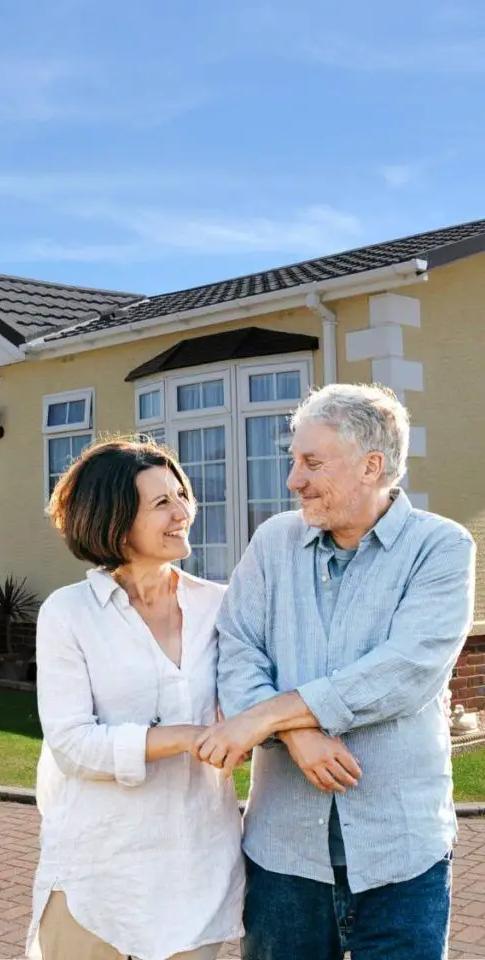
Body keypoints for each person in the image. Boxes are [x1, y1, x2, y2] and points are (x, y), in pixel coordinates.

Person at [197, 383, 476, 960]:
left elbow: (405, 671)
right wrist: (298, 734)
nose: (294, 479)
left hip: (403, 855)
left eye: (312, 462)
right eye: (293, 460)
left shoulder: (441, 547)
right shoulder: (274, 541)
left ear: (372, 466)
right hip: (284, 854)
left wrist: (270, 714)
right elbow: (238, 649)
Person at [26, 437, 320, 960]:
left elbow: (257, 692)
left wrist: (284, 726)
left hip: (196, 867)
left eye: (181, 495)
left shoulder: (221, 605)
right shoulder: (68, 613)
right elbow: (71, 743)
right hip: (98, 874)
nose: (183, 511)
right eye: (161, 503)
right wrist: (186, 738)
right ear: (113, 520)